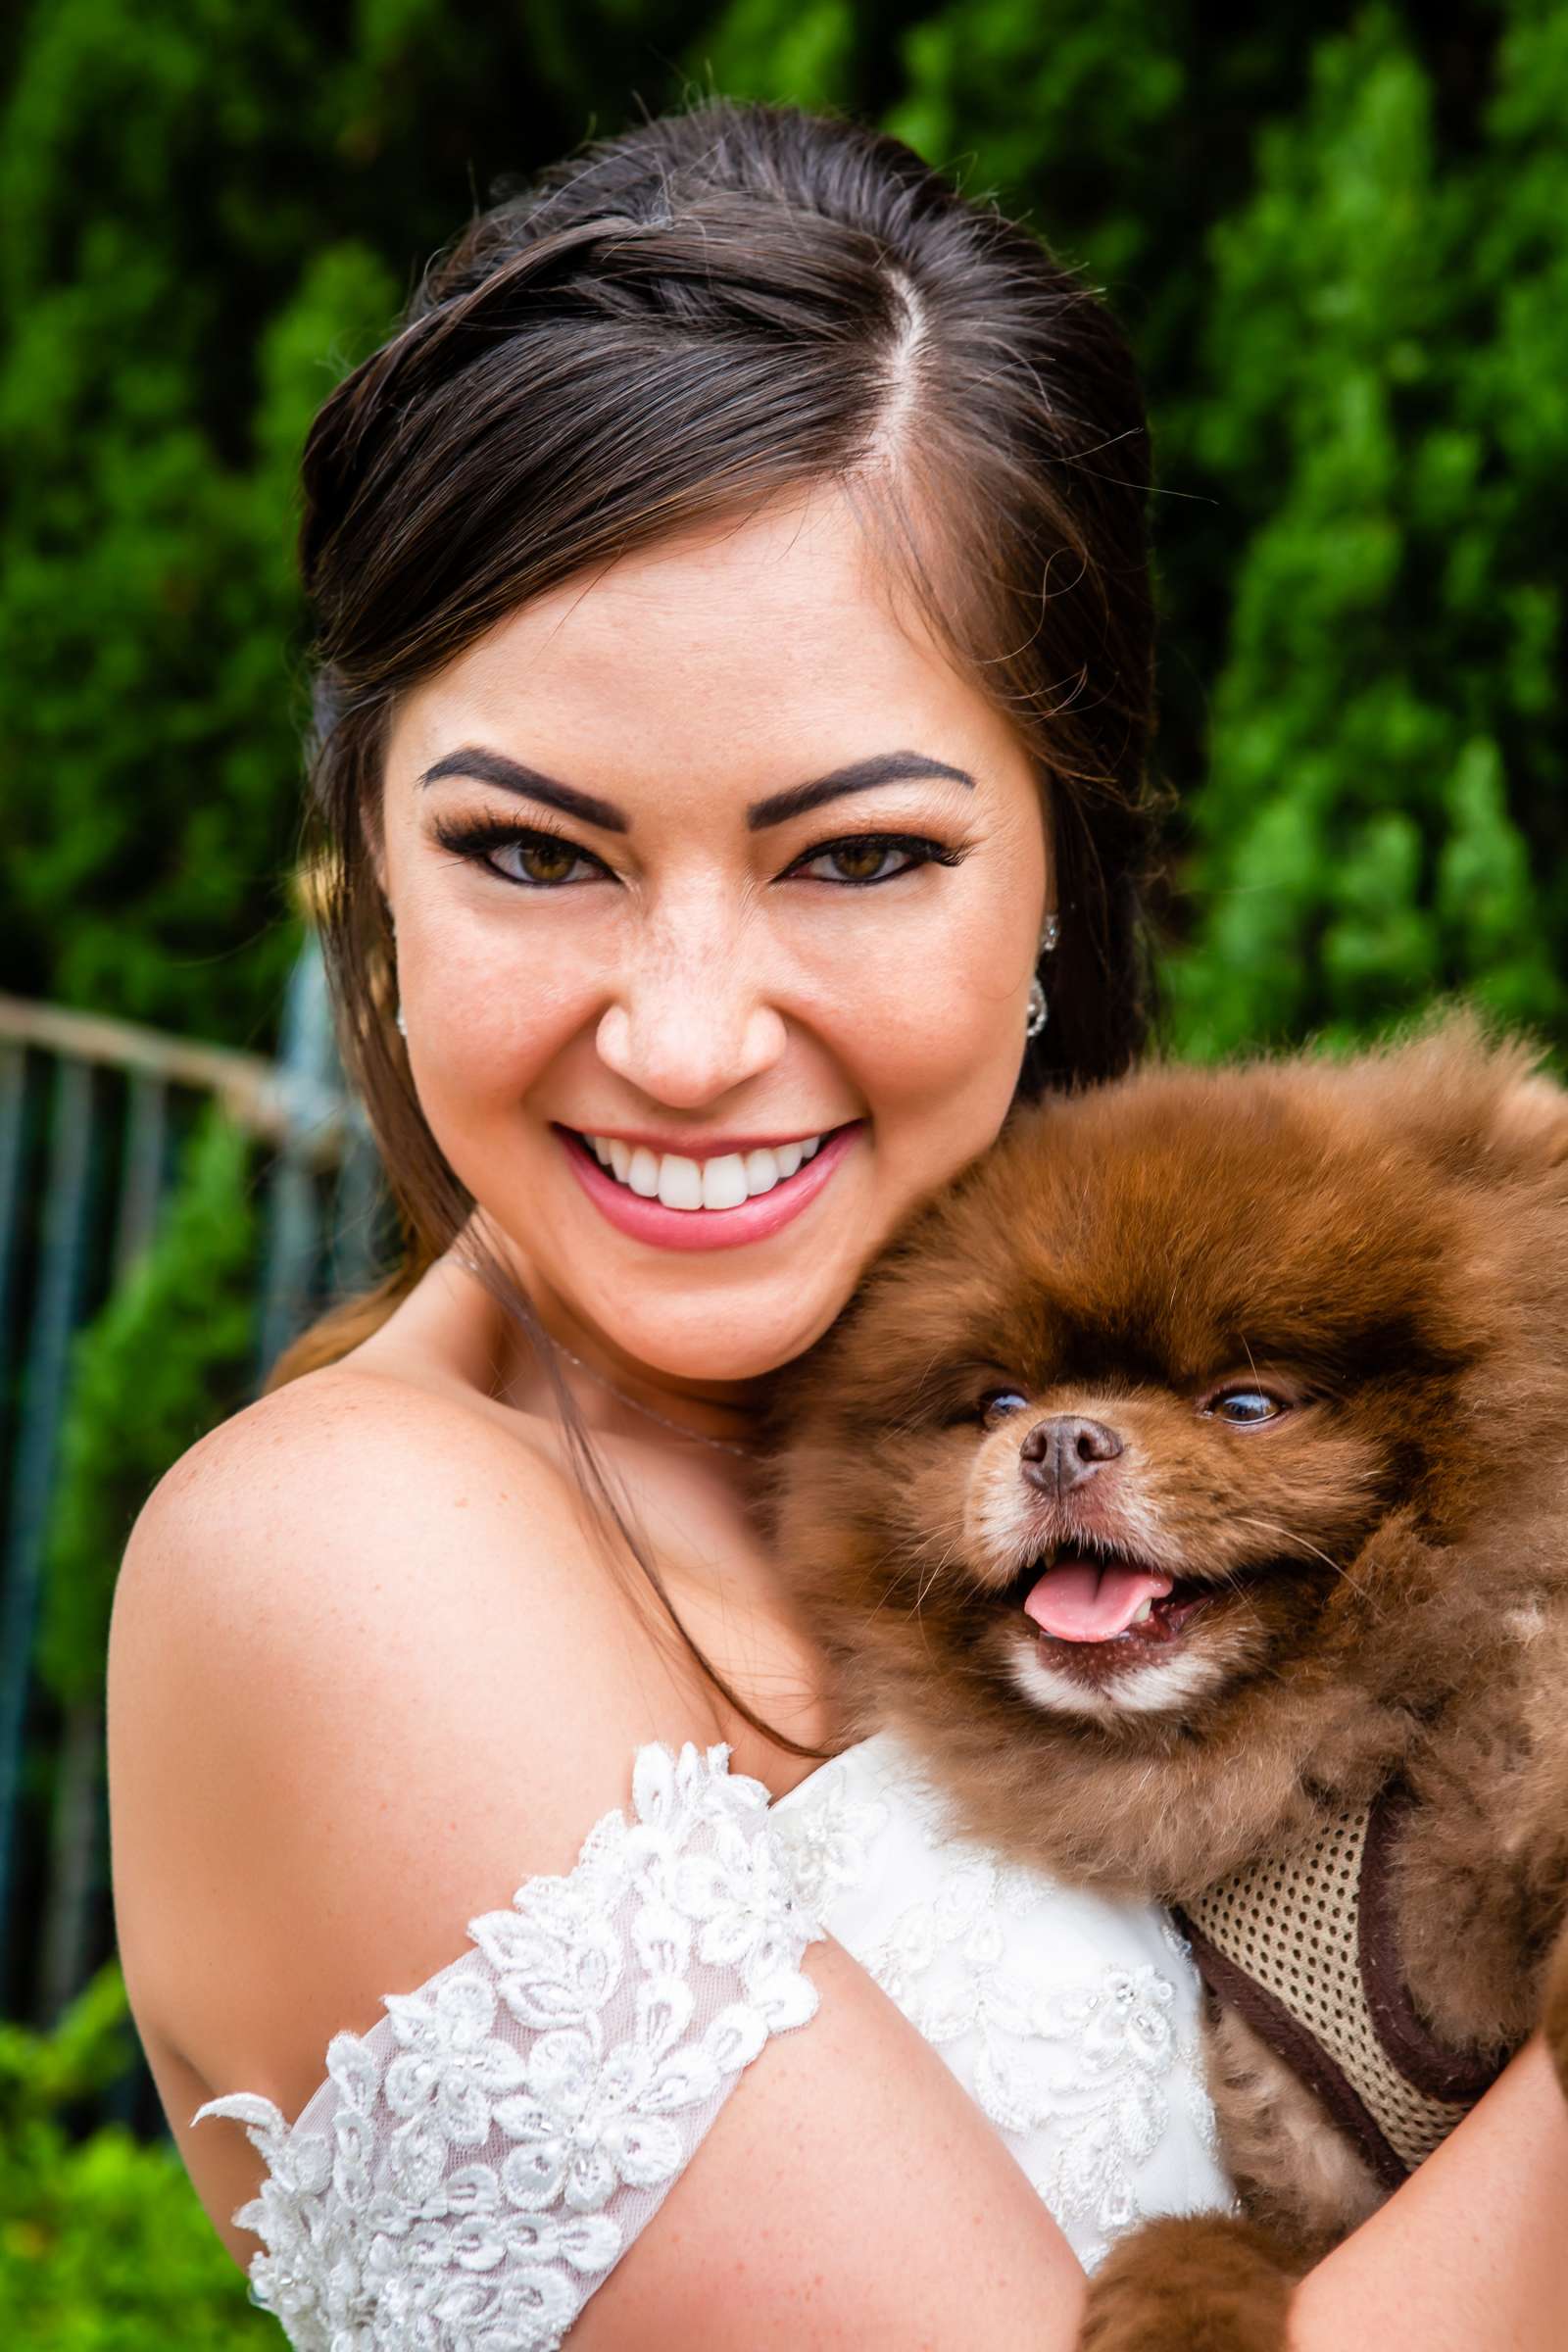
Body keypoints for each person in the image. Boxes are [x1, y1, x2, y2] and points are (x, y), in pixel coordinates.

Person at [104, 98, 1568, 2349]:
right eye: (533, 850)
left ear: (1060, 882)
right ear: (372, 872)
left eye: (855, 855)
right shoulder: (342, 1563)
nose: (687, 1040)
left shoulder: (1277, 1387)